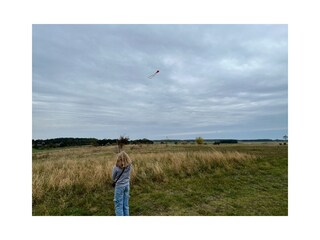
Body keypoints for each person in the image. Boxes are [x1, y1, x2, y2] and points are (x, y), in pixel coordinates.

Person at [112, 151, 132, 216]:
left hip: (119, 187)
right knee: (126, 204)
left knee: (118, 205)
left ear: (119, 159)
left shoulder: (116, 168)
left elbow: (113, 177)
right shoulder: (130, 165)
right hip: (127, 185)